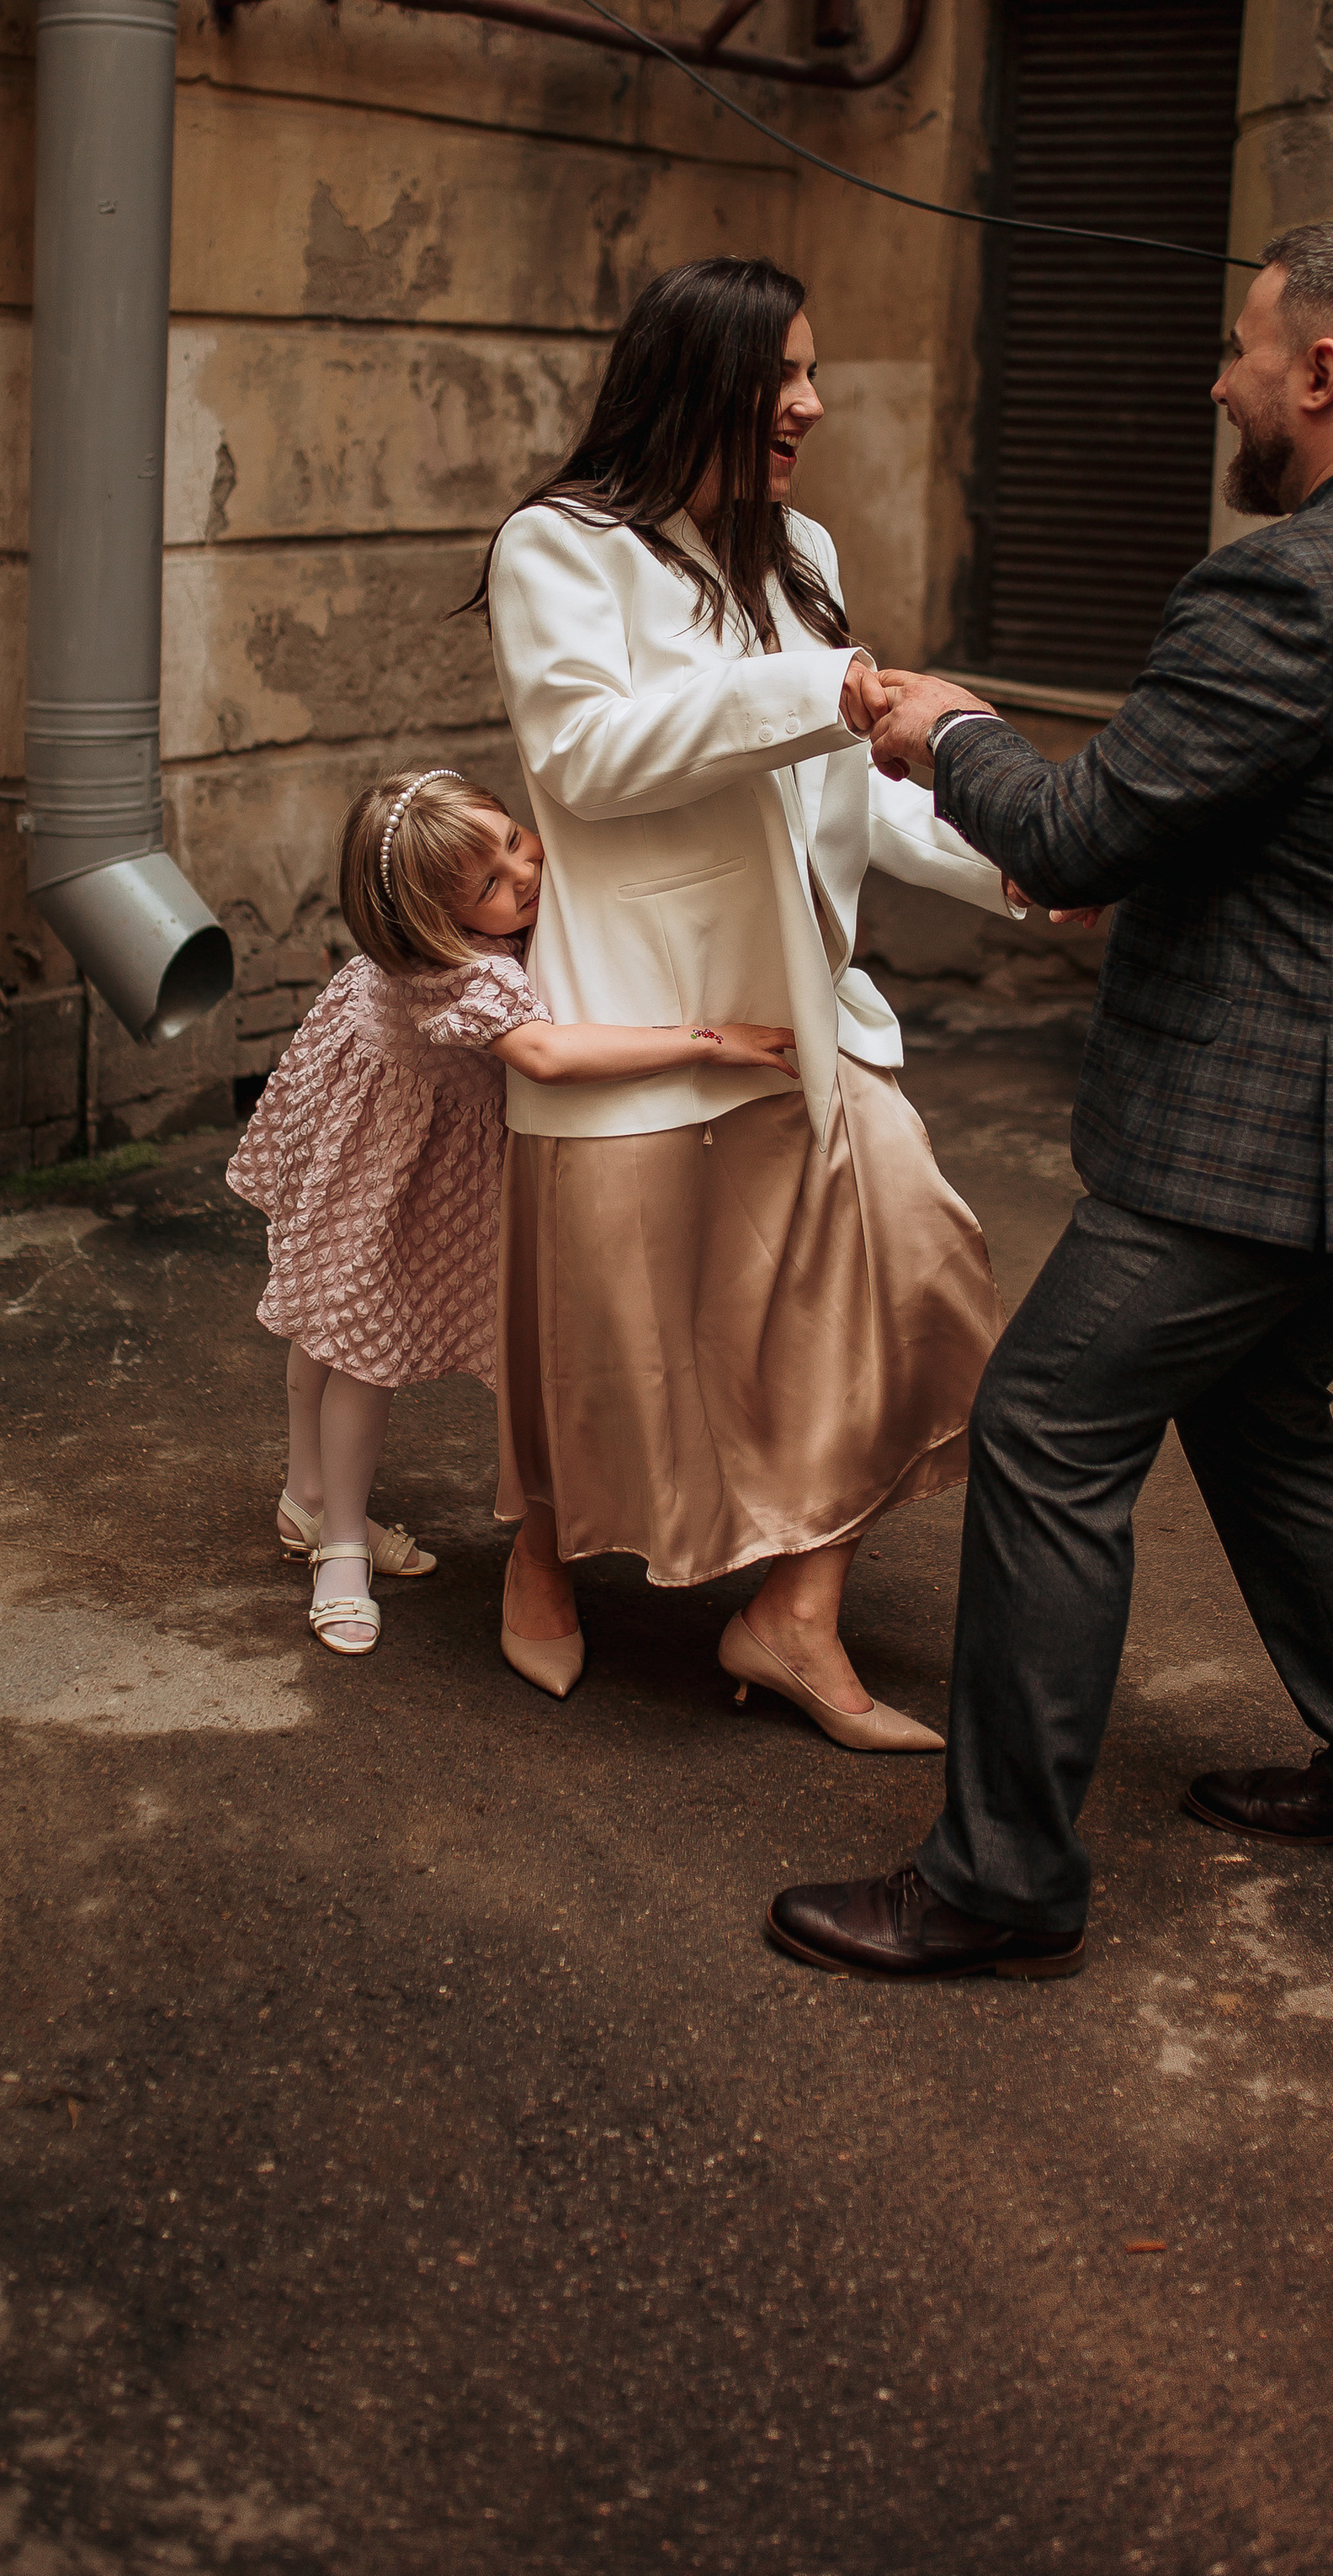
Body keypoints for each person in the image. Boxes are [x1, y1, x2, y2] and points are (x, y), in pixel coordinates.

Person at [768, 219, 1333, 1980]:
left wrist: (949, 732)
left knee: (1046, 1432)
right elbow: (1304, 828)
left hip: (1252, 1133)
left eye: (1236, 346)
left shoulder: (1278, 589)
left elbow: (1078, 834)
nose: (1214, 379)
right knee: (1266, 1418)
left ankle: (996, 1883)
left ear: (1321, 371)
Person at [475, 257, 1009, 1747]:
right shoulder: (561, 547)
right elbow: (588, 758)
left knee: (914, 1285)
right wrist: (814, 695)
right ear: (699, 376)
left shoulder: (806, 555)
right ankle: (544, 1548)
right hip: (638, 1021)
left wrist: (1024, 873)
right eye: (786, 375)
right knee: (617, 1352)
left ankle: (792, 1620)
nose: (813, 404)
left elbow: (854, 792)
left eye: (814, 373)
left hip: (809, 1025)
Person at [226, 768, 796, 1657]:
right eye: (488, 885)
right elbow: (546, 1054)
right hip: (381, 1159)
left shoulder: (482, 934)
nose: (522, 873)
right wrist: (709, 1041)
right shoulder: (452, 975)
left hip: (364, 1130)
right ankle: (339, 1542)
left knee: (327, 1331)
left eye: (514, 840)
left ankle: (306, 1496)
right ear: (437, 921)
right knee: (353, 1346)